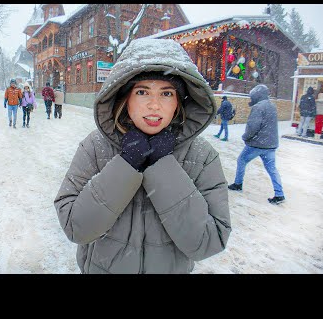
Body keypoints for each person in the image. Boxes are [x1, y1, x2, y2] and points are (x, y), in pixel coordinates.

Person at [54, 38, 231, 274]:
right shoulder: (95, 147)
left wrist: (163, 169)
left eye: (167, 93)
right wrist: (126, 165)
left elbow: (209, 241)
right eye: (142, 91)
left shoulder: (202, 156)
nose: (154, 105)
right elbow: (76, 227)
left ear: (179, 101)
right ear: (125, 97)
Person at [228, 84, 285, 205]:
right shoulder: (272, 106)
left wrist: (246, 137)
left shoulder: (258, 107)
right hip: (270, 145)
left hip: (257, 144)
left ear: (257, 96)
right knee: (272, 169)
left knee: (241, 160)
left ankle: (238, 184)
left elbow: (253, 126)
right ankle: (279, 194)